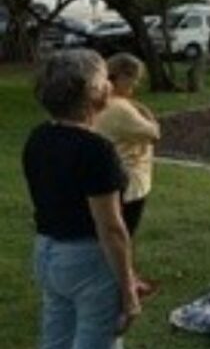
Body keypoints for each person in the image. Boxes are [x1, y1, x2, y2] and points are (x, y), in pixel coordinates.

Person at [24, 49, 141, 348]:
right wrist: (128, 292)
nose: (110, 85)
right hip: (86, 260)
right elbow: (111, 228)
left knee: (56, 340)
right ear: (92, 91)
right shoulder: (95, 150)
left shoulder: (38, 138)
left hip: (47, 254)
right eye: (104, 79)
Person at [93, 53, 160, 295]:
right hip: (129, 183)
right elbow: (153, 133)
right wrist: (145, 111)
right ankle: (124, 285)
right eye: (133, 79)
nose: (136, 85)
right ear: (120, 77)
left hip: (108, 178)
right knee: (122, 236)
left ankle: (126, 277)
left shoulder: (96, 102)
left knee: (111, 233)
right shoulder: (121, 108)